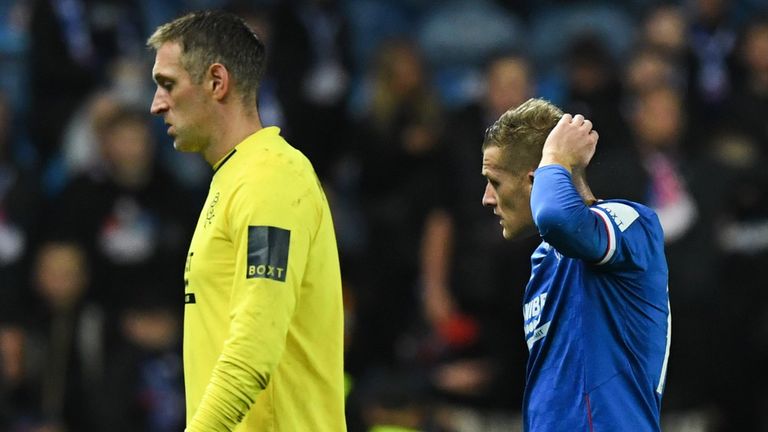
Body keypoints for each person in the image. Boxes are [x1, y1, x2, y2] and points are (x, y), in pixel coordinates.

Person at [147, 10, 346, 431]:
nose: (156, 104)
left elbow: (254, 346)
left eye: (168, 85)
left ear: (217, 82)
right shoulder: (237, 178)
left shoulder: (270, 177)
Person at [480, 98, 671, 431]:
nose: (487, 198)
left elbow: (557, 217)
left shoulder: (630, 222)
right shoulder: (543, 262)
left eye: (494, 181)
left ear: (534, 180)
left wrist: (554, 157)